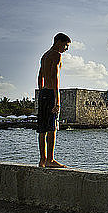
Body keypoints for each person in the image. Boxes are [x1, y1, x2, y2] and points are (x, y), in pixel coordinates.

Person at [36, 32, 71, 168]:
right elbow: (56, 78)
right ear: (58, 42)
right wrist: (57, 100)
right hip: (51, 93)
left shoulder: (45, 56)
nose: (66, 49)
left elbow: (40, 76)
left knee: (42, 129)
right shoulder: (56, 55)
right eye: (66, 45)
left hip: (43, 92)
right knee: (52, 128)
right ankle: (50, 159)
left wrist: (41, 91)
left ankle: (42, 160)